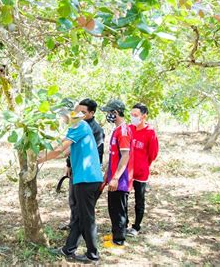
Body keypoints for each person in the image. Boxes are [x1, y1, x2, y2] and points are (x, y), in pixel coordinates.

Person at [38, 105, 103, 263]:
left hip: (86, 179)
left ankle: (92, 255)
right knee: (80, 217)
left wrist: (40, 159)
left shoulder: (78, 126)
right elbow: (66, 151)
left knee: (87, 218)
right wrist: (46, 153)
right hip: (88, 178)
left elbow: (61, 149)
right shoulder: (81, 126)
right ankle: (69, 249)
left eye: (63, 115)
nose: (63, 119)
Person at [62, 98, 104, 231]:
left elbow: (95, 153)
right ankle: (74, 227)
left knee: (84, 208)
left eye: (83, 112)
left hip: (87, 173)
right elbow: (70, 148)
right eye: (78, 111)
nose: (79, 114)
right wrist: (69, 164)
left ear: (91, 113)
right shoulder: (77, 124)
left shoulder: (95, 129)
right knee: (74, 201)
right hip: (77, 169)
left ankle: (81, 237)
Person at [100, 99, 133, 249]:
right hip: (114, 177)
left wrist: (115, 178)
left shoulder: (124, 131)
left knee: (117, 209)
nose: (108, 115)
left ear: (115, 112)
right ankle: (117, 234)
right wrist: (107, 174)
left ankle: (118, 241)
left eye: (109, 112)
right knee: (114, 208)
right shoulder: (117, 130)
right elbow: (114, 156)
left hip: (120, 179)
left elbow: (125, 156)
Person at [127, 103, 159, 237]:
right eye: (131, 115)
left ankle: (136, 227)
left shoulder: (150, 132)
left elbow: (153, 153)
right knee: (123, 198)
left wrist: (143, 164)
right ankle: (124, 223)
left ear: (144, 116)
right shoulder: (128, 129)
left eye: (136, 115)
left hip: (141, 172)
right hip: (126, 171)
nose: (133, 118)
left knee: (139, 200)